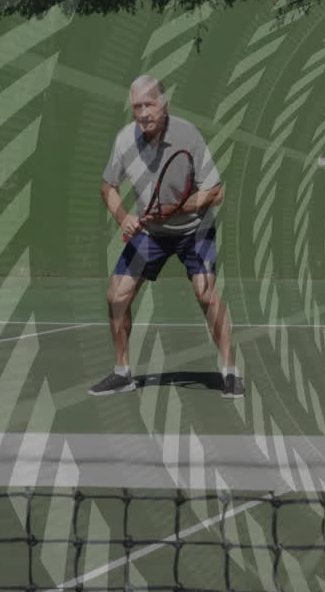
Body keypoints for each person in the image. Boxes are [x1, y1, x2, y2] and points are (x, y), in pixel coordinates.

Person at [91, 75, 242, 399]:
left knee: (205, 294)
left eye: (150, 105)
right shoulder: (124, 140)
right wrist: (124, 217)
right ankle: (122, 373)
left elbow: (216, 192)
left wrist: (176, 209)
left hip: (194, 228)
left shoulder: (188, 135)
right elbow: (108, 187)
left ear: (165, 106)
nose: (144, 113)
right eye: (137, 107)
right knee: (117, 296)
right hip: (151, 233)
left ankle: (230, 371)